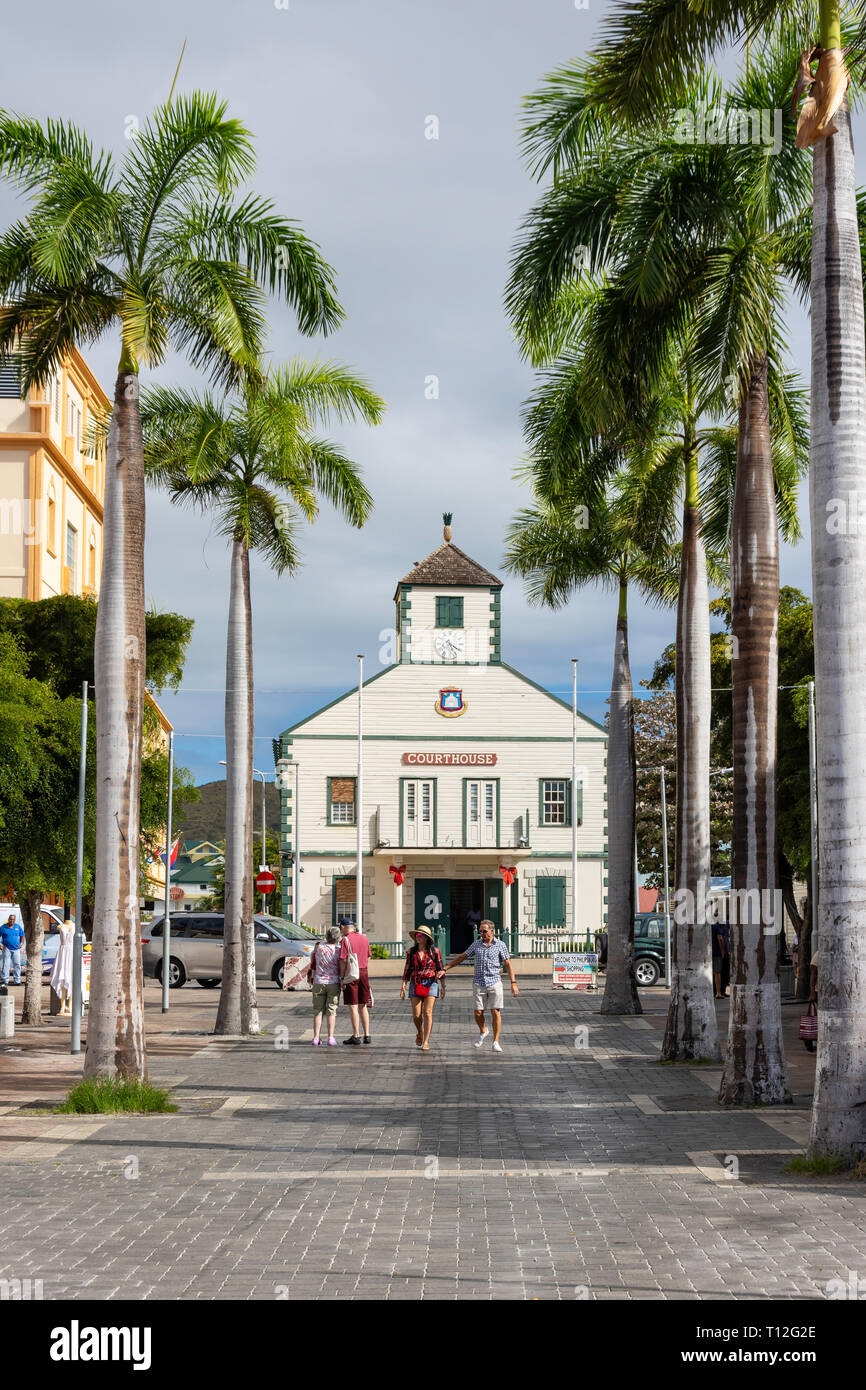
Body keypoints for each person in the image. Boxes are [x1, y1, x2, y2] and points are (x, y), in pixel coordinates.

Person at [443, 919, 518, 1053]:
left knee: (495, 1011)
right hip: (479, 982)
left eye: (484, 931)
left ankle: (495, 1041)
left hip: (495, 981)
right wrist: (446, 968)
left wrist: (513, 983)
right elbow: (462, 957)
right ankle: (483, 1031)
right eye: (480, 932)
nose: (482, 934)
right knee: (478, 1012)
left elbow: (508, 964)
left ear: (492, 931)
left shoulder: (500, 945)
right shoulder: (477, 944)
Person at [400, 925, 445, 1051]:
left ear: (426, 938)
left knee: (428, 1012)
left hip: (431, 983)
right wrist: (403, 986)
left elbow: (440, 969)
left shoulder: (434, 951)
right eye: (417, 935)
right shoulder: (411, 952)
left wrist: (443, 986)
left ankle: (426, 1041)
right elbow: (407, 969)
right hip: (416, 983)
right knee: (416, 1015)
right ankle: (420, 1031)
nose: (418, 937)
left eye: (420, 935)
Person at [340, 922, 373, 1045]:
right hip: (364, 972)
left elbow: (343, 960)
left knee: (353, 1005)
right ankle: (367, 1034)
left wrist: (342, 978)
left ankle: (356, 1035)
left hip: (352, 973)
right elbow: (369, 956)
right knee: (363, 1005)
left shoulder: (345, 940)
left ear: (343, 927)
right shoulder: (364, 938)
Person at [310, 925, 342, 1046]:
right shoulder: (339, 950)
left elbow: (313, 963)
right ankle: (331, 1037)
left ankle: (316, 1037)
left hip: (318, 981)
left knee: (317, 1011)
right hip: (333, 982)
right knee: (331, 1010)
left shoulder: (318, 947)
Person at [0, 913, 25, 986]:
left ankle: (17, 981)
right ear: (8, 919)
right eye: (10, 919)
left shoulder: (18, 927)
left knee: (17, 964)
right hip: (6, 948)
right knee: (6, 965)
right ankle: (5, 981)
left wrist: (21, 943)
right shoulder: (3, 927)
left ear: (15, 920)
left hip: (16, 949)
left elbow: (22, 935)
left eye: (13, 919)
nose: (12, 920)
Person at [712, 920, 727, 999]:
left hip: (708, 953)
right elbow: (720, 939)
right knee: (717, 973)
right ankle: (718, 992)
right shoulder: (716, 927)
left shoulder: (707, 926)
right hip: (716, 952)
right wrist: (723, 951)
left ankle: (713, 991)